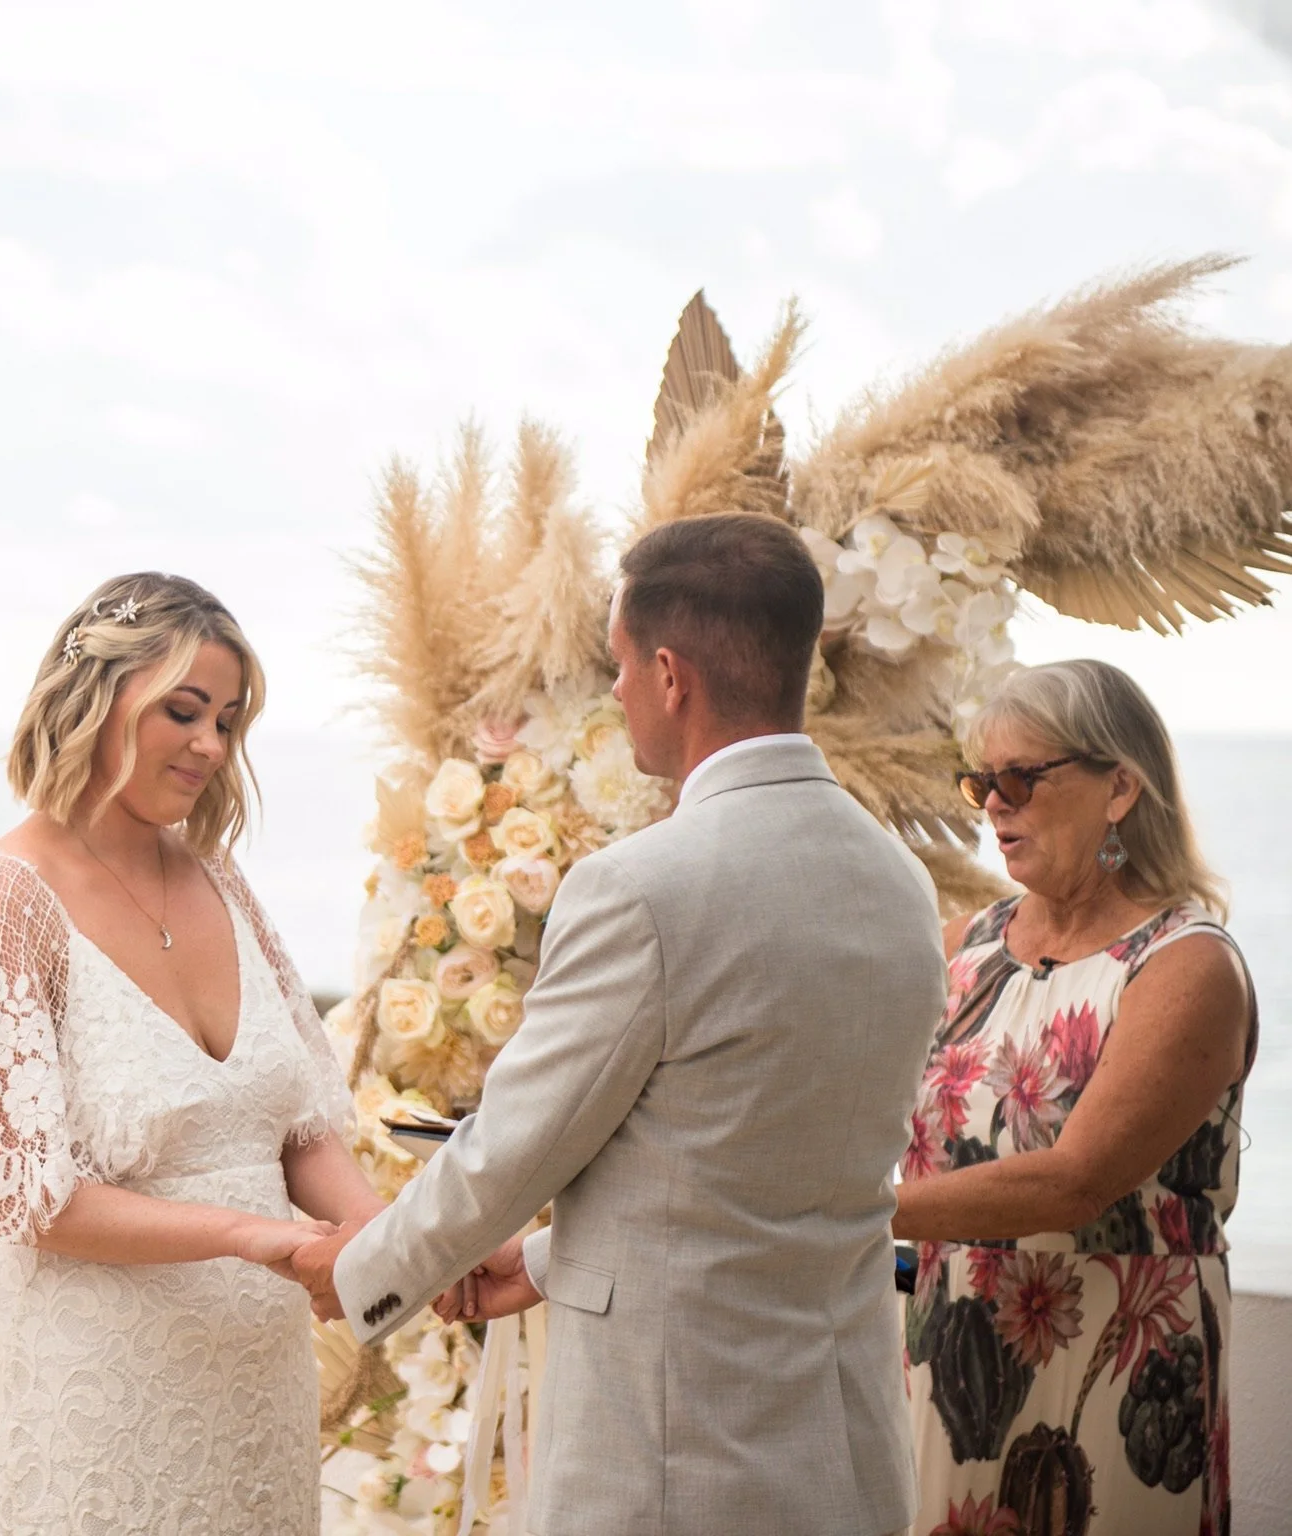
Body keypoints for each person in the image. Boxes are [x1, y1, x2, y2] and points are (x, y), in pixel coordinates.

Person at [291, 512, 949, 1536]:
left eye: (620, 664)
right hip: (849, 1451)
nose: (614, 692)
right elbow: (758, 1173)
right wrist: (540, 1263)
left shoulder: (641, 889)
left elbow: (511, 1153)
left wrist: (361, 1273)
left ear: (671, 675)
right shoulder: (900, 882)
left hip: (672, 1456)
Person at [0, 571, 383, 1536]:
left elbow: (298, 1127)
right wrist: (253, 1237)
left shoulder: (221, 881)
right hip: (91, 1402)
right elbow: (26, 1199)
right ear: (95, 696)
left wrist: (392, 1241)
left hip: (255, 1393)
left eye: (228, 722)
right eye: (185, 711)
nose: (212, 746)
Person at [895, 659, 1253, 1536]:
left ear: (1119, 788)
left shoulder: (1185, 965)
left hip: (1115, 1373)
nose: (992, 805)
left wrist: (839, 1214)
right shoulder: (962, 948)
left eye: (1020, 778)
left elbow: (1075, 1182)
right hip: (949, 1365)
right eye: (981, 781)